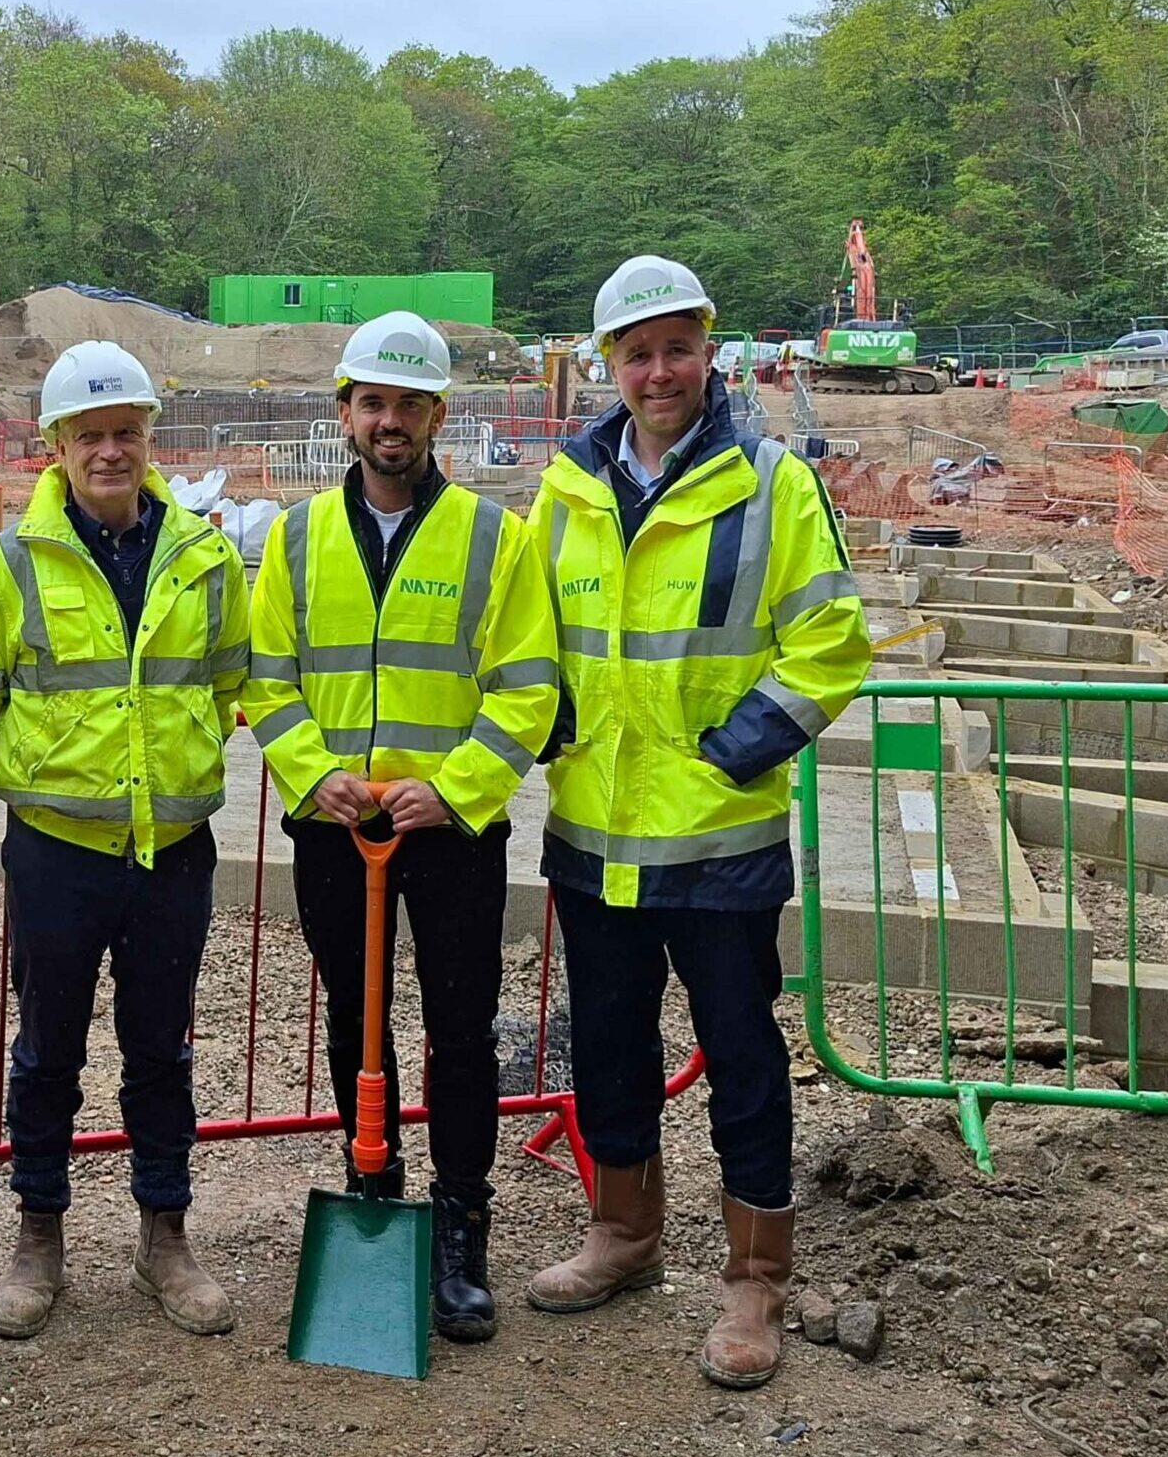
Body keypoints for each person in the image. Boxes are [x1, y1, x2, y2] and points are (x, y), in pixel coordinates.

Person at [520, 255, 871, 1390]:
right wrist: (547, 721)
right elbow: (533, 639)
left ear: (707, 352)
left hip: (720, 842)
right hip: (594, 835)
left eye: (676, 348)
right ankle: (622, 1234)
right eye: (637, 352)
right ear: (607, 363)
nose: (657, 371)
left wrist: (736, 750)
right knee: (609, 1043)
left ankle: (752, 1276)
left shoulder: (770, 482)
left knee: (741, 1054)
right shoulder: (566, 488)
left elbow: (830, 641)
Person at [242, 311, 559, 1345]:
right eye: (372, 402)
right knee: (355, 1018)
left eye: (409, 404)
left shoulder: (493, 539)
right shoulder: (293, 538)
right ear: (345, 411)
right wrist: (313, 771)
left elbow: (526, 687)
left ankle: (461, 1222)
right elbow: (267, 677)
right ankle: (371, 1185)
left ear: (436, 416)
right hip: (337, 827)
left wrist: (459, 786)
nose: (390, 421)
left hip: (449, 828)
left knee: (460, 1028)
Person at [0, 341, 249, 1341]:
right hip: (57, 852)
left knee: (161, 1046)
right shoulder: (2, 569)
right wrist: (45, 789)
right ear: (55, 444)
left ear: (148, 438)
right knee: (46, 1053)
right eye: (90, 434)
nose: (109, 450)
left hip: (172, 849)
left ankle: (166, 1237)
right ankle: (39, 1237)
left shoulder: (202, 557)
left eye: (125, 432)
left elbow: (230, 681)